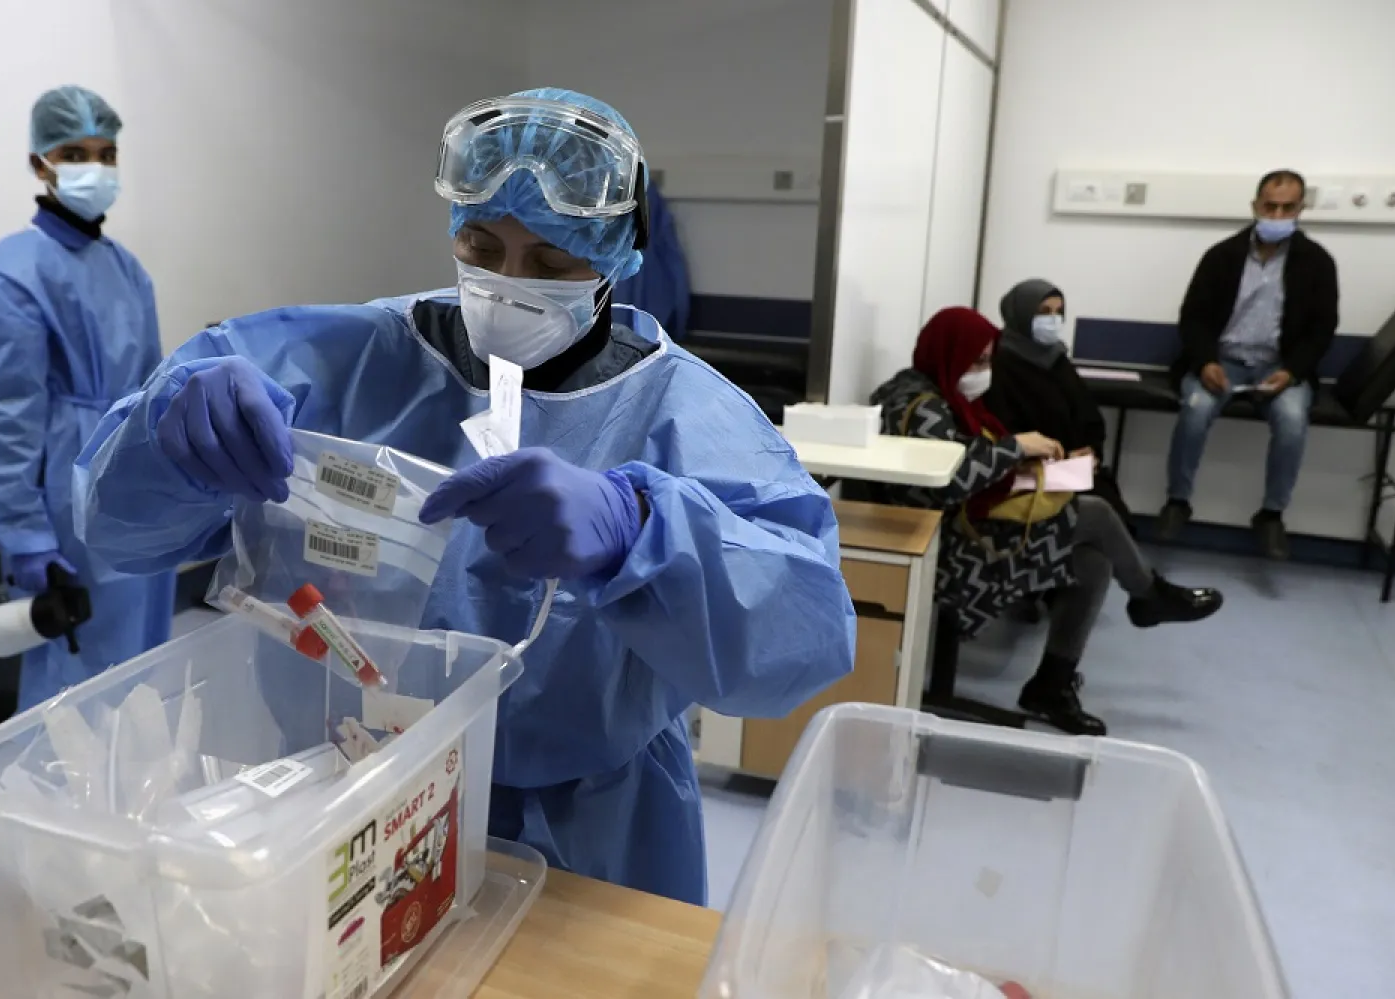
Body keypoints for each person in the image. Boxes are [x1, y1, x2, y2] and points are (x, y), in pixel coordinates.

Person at [73, 89, 856, 904]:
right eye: (481, 247)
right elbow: (118, 532)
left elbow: (804, 640)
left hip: (586, 847)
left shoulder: (687, 416)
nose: (509, 282)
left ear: (620, 256)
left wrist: (643, 532)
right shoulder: (343, 359)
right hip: (343, 804)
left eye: (552, 262)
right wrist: (170, 437)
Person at [871, 308, 1222, 736]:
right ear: (950, 352)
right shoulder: (918, 405)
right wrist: (1017, 446)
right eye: (977, 361)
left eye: (987, 361)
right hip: (947, 549)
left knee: (1092, 558)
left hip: (968, 526)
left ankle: (1052, 684)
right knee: (1093, 512)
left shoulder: (940, 391)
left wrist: (1041, 465)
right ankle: (1148, 595)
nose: (983, 372)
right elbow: (952, 480)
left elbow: (972, 470)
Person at [0, 85, 173, 711]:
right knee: (74, 679)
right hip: (66, 501)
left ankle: (134, 798)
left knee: (140, 666)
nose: (97, 168)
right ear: (40, 164)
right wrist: (26, 539)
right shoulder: (13, 270)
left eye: (108, 154)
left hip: (136, 491)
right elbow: (4, 421)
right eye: (76, 152)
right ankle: (58, 804)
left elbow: (150, 388)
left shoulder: (127, 268)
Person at [1157, 169, 1340, 559]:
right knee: (1194, 410)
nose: (1277, 215)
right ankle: (1177, 502)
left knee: (1292, 421)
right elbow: (1193, 318)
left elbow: (1322, 329)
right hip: (1223, 361)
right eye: (1270, 206)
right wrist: (1205, 361)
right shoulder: (1222, 256)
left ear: (1301, 209)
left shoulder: (1317, 262)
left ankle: (1271, 514)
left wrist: (1292, 371)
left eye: (1287, 208)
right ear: (1255, 206)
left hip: (1280, 366)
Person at [984, 279, 1132, 526]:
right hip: (1035, 477)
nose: (1053, 320)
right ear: (1020, 314)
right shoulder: (1000, 365)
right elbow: (1006, 431)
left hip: (1078, 473)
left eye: (1058, 312)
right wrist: (1056, 458)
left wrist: (1091, 451)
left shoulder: (1057, 360)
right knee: (1104, 518)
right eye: (1043, 312)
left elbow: (1089, 416)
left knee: (1111, 520)